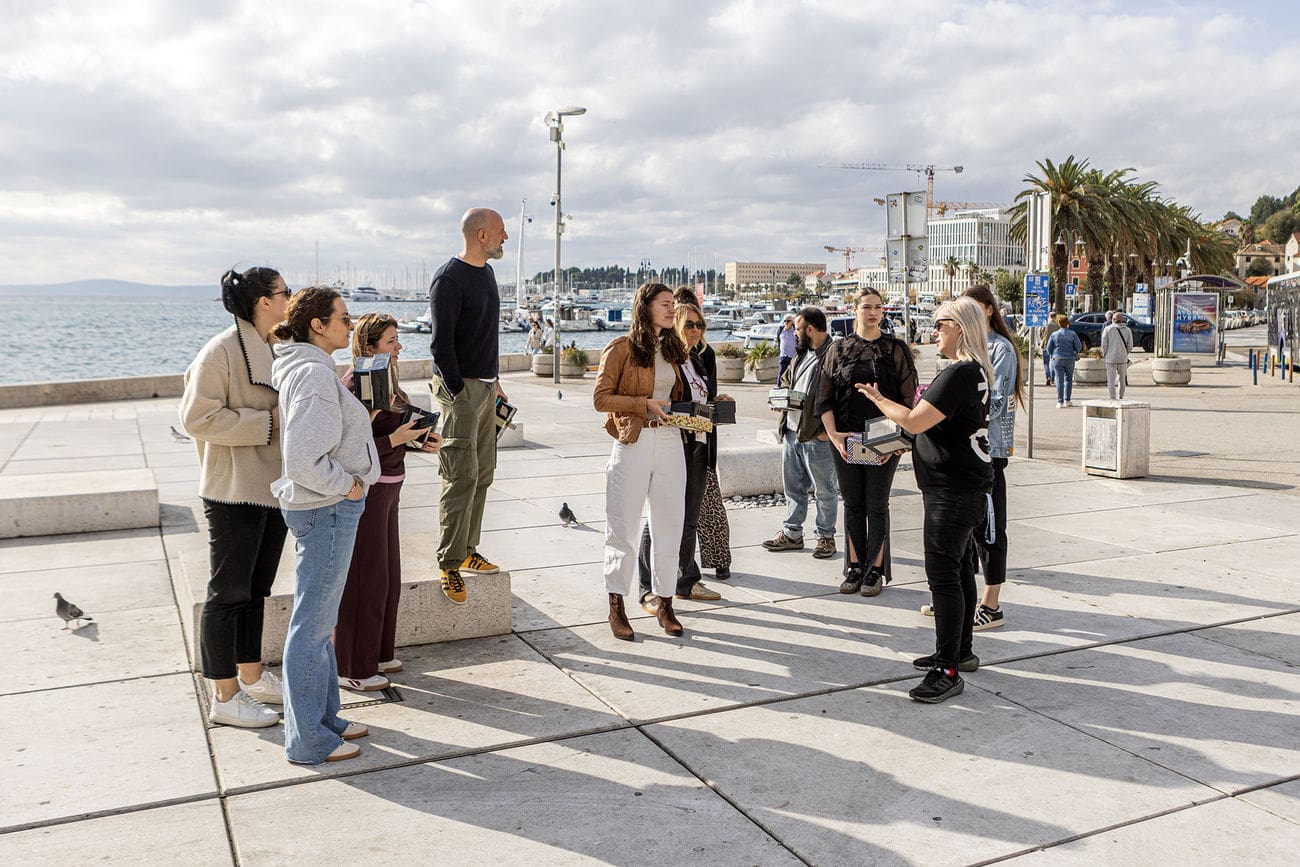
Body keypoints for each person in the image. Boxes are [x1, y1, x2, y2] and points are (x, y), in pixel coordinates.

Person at [855, 297, 994, 704]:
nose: (933, 331)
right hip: (960, 485)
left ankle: (947, 670)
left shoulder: (960, 373)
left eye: (940, 324)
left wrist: (879, 400)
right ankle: (959, 651)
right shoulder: (972, 372)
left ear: (961, 327)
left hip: (953, 490)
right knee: (961, 569)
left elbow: (916, 421)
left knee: (944, 576)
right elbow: (933, 427)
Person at [270, 287, 380, 764]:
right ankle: (308, 740)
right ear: (317, 324)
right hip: (328, 506)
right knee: (312, 626)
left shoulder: (308, 368)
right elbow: (301, 458)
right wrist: (349, 486)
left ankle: (324, 720)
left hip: (323, 506)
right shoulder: (314, 373)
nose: (351, 325)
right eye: (343, 317)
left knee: (319, 620)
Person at [180, 267, 291, 729]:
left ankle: (250, 677)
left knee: (257, 590)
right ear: (264, 302)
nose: (291, 297)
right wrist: (267, 425)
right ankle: (224, 695)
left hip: (268, 486)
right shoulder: (222, 351)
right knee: (226, 593)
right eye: (285, 292)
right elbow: (196, 418)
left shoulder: (268, 346)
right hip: (233, 491)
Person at [335, 314, 442, 692]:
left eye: (397, 340)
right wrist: (395, 439)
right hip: (367, 491)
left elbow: (391, 437)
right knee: (366, 579)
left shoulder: (387, 383)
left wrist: (419, 440)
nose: (399, 346)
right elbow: (350, 450)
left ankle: (377, 653)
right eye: (391, 341)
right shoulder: (353, 387)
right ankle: (351, 666)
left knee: (389, 577)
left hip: (391, 489)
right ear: (369, 348)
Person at [594, 282, 689, 641]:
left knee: (669, 526)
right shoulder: (620, 349)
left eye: (673, 305)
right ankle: (616, 604)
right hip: (632, 440)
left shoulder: (674, 348)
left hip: (669, 441)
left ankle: (665, 602)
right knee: (622, 527)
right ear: (645, 307)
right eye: (665, 304)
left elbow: (682, 393)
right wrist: (641, 404)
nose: (671, 310)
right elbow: (601, 398)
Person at [429, 207, 509, 604]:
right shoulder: (449, 279)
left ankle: (468, 550)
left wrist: (494, 382)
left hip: (485, 387)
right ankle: (448, 562)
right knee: (460, 475)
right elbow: (440, 345)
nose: (505, 238)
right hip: (458, 391)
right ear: (481, 235)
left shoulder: (488, 274)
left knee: (483, 473)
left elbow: (483, 337)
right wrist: (460, 391)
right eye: (500, 232)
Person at [818, 288, 918, 596]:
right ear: (854, 310)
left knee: (877, 504)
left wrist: (898, 442)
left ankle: (875, 570)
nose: (873, 312)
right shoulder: (837, 349)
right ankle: (854, 566)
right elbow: (824, 400)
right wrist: (833, 435)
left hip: (884, 439)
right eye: (866, 307)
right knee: (852, 504)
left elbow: (908, 400)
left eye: (877, 307)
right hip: (845, 438)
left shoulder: (895, 349)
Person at [636, 299, 732, 608]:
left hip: (700, 446)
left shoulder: (696, 360)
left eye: (700, 325)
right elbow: (661, 401)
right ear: (675, 323)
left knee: (690, 518)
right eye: (689, 324)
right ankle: (647, 586)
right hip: (674, 445)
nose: (695, 330)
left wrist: (716, 401)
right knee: (660, 517)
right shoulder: (667, 359)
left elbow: (697, 398)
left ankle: (686, 581)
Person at [960, 285, 1025, 631]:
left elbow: (995, 402)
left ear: (987, 309)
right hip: (966, 448)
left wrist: (958, 412)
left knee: (991, 525)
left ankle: (992, 603)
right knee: (966, 527)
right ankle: (962, 598)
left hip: (990, 449)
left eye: (969, 307)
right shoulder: (968, 348)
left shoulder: (1000, 350)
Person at [763, 306, 838, 560]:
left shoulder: (833, 355)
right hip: (792, 432)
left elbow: (842, 396)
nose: (793, 334)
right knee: (793, 487)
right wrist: (779, 398)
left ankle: (826, 537)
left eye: (797, 329)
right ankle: (792, 533)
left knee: (824, 490)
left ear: (809, 329)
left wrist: (828, 432)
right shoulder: (801, 354)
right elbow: (785, 381)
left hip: (817, 435)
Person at [1045, 314, 1083, 407]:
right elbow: (1079, 347)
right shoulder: (1073, 334)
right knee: (1068, 379)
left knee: (1059, 380)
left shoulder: (1054, 334)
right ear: (1068, 323)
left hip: (1057, 358)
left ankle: (1059, 401)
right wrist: (1075, 352)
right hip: (1070, 358)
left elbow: (1048, 348)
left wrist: (1052, 354)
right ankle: (1067, 400)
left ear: (1059, 323)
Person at [1101, 312, 1134, 400]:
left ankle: (1112, 398)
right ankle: (1121, 397)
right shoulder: (1127, 330)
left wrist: (1105, 354)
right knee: (1122, 379)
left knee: (1111, 381)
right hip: (1123, 359)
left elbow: (1104, 344)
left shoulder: (1108, 329)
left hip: (1110, 359)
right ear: (1122, 320)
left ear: (1113, 320)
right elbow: (1130, 345)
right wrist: (1125, 353)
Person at [1041, 310, 1061, 385]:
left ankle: (1048, 376)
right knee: (1053, 362)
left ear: (1049, 316)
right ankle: (1052, 378)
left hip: (1046, 345)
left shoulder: (1046, 324)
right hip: (1055, 346)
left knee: (1046, 363)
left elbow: (1041, 333)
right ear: (1055, 317)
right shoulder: (1058, 325)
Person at [777, 315, 797, 380]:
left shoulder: (795, 330)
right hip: (783, 355)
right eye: (784, 321)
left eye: (788, 321)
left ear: (792, 322)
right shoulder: (781, 330)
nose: (786, 322)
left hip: (793, 355)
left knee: (793, 373)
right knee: (781, 372)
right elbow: (778, 340)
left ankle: (791, 387)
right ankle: (778, 386)